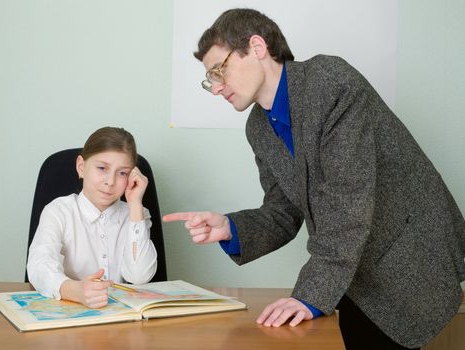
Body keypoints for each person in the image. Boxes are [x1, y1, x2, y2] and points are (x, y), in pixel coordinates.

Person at [163, 8, 465, 350]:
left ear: (257, 47)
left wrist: (307, 296)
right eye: (210, 80)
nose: (216, 88)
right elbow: (282, 211)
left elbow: (347, 201)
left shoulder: (329, 81)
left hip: (404, 260)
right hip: (347, 270)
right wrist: (231, 227)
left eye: (219, 71)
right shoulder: (259, 128)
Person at [28, 127, 157, 308]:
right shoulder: (58, 211)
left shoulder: (136, 215)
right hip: (69, 310)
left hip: (119, 317)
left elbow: (139, 277)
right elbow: (39, 266)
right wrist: (74, 290)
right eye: (102, 168)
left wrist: (135, 205)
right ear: (81, 167)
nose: (110, 181)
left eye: (122, 173)